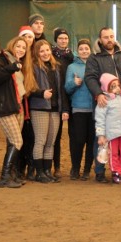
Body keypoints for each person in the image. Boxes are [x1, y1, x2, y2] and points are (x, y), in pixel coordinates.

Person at [84, 27, 121, 182]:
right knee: (101, 139)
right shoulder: (94, 58)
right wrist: (98, 94)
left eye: (111, 36)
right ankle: (100, 172)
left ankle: (119, 171)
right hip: (105, 103)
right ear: (100, 40)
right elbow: (90, 78)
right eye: (106, 37)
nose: (109, 39)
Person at [0, 36, 36, 188]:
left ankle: (11, 175)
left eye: (24, 48)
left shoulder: (20, 64)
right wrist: (12, 67)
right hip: (5, 107)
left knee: (12, 142)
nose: (21, 49)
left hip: (18, 106)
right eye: (19, 46)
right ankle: (4, 176)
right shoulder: (2, 59)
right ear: (12, 45)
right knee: (17, 141)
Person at [29, 40, 69, 183]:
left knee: (51, 142)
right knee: (40, 140)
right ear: (37, 53)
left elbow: (61, 90)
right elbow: (29, 88)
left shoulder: (56, 67)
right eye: (42, 51)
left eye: (47, 50)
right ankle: (39, 172)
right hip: (39, 108)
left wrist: (64, 108)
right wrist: (41, 93)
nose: (45, 53)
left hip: (54, 109)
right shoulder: (33, 67)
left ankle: (47, 170)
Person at [65, 39, 94, 181]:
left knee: (91, 141)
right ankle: (75, 168)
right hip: (78, 109)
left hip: (94, 110)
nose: (84, 51)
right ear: (78, 51)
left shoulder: (95, 65)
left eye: (86, 48)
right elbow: (67, 88)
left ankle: (87, 169)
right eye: (81, 49)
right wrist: (74, 83)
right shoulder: (71, 67)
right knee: (78, 140)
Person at [51, 27, 74, 179]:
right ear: (56, 40)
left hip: (71, 97)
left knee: (74, 134)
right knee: (56, 136)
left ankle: (75, 167)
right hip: (56, 98)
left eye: (65, 38)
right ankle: (56, 167)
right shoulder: (51, 56)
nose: (63, 41)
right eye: (60, 38)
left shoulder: (72, 56)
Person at [17, 25, 37, 180]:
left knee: (31, 137)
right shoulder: (16, 57)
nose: (27, 39)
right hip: (18, 102)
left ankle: (31, 167)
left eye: (30, 36)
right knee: (18, 137)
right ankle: (17, 168)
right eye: (24, 36)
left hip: (32, 102)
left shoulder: (36, 57)